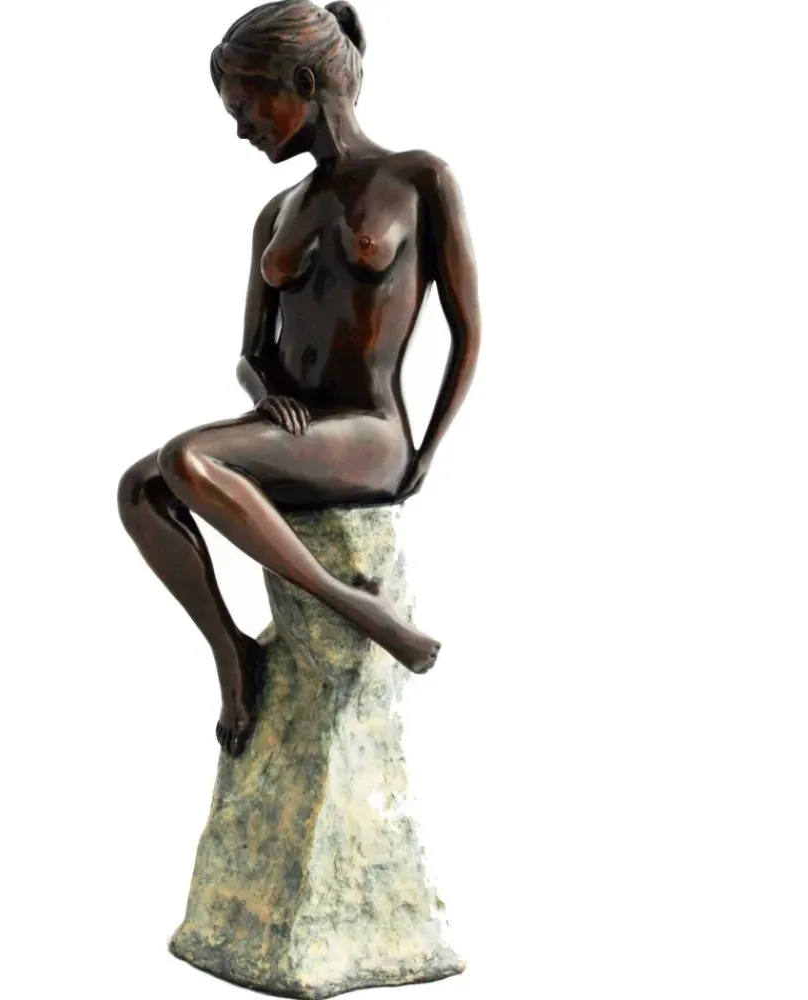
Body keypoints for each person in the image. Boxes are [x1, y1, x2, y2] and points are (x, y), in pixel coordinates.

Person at [118, 0, 480, 757]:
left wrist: (428, 453)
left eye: (247, 107)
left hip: (369, 434)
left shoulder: (419, 178)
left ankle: (357, 607)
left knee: (187, 459)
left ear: (305, 84)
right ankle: (233, 653)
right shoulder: (277, 212)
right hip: (292, 429)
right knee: (140, 489)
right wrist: (266, 396)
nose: (241, 130)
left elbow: (467, 329)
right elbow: (251, 352)